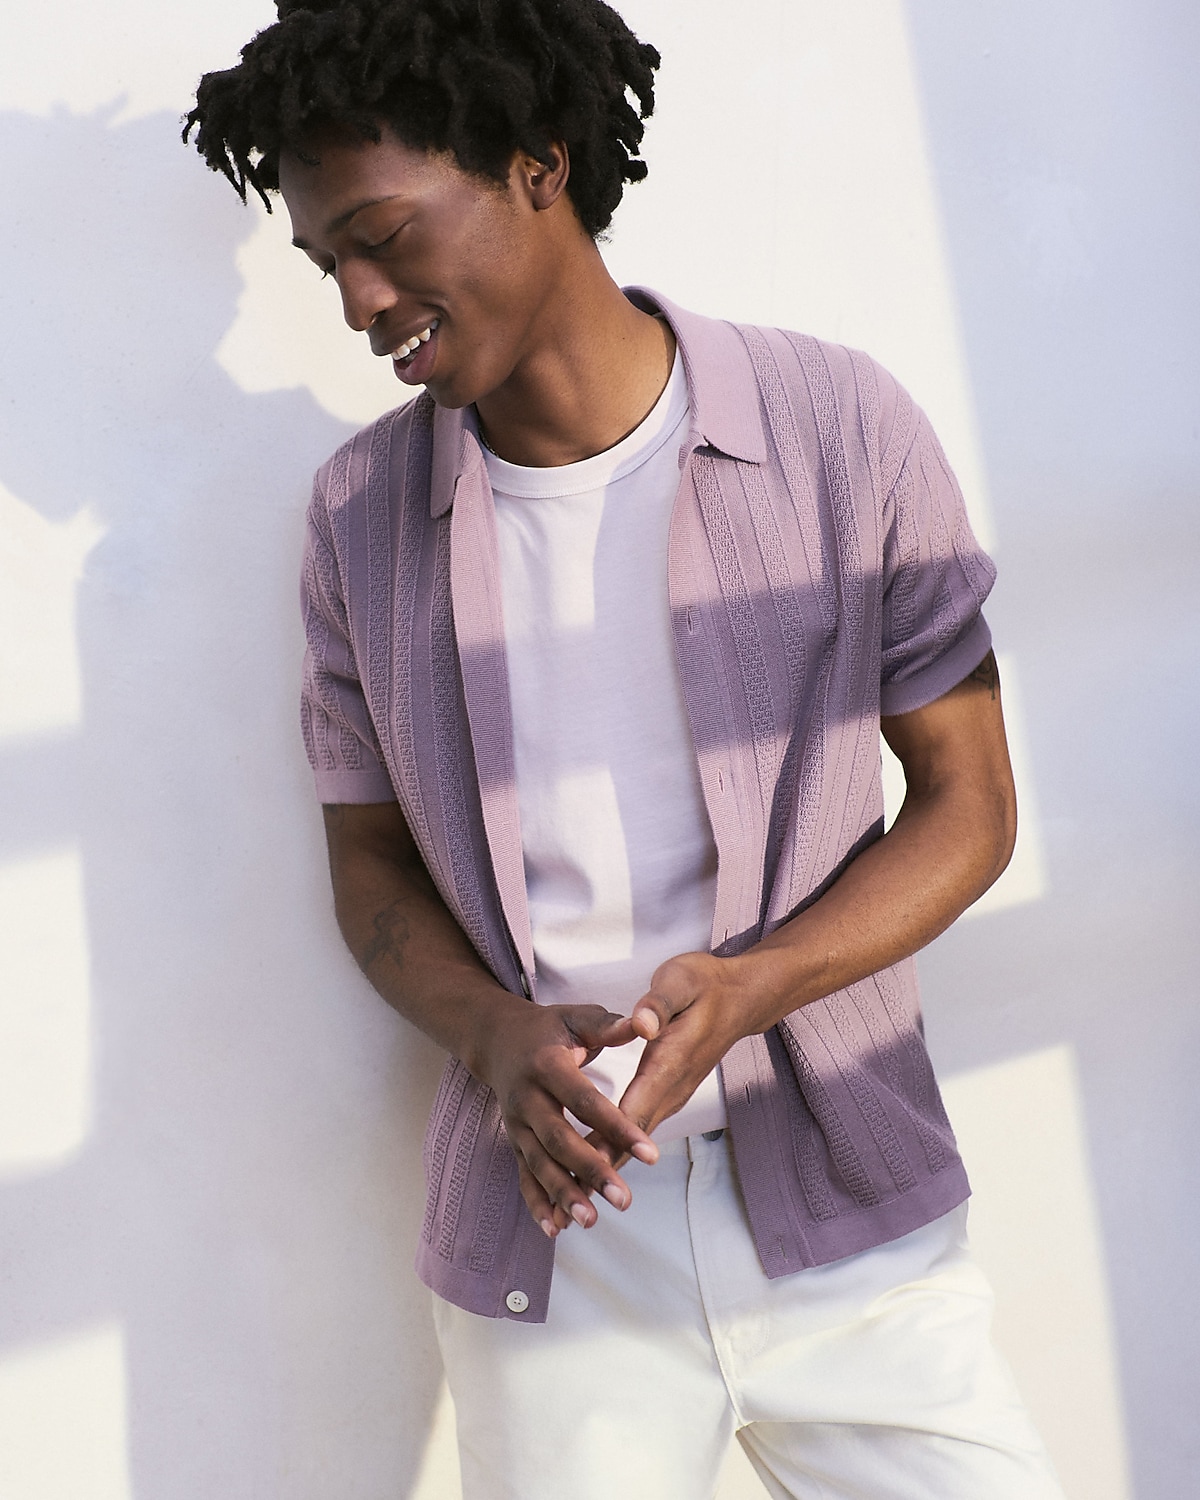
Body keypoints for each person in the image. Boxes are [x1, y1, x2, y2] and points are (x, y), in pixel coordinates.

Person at [186, 3, 1066, 1495]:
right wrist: (488, 1033)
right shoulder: (359, 523)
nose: (355, 299)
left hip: (850, 1210)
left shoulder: (838, 427)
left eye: (383, 235)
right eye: (329, 260)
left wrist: (755, 987)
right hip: (555, 1256)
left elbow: (970, 807)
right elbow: (370, 870)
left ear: (540, 162)